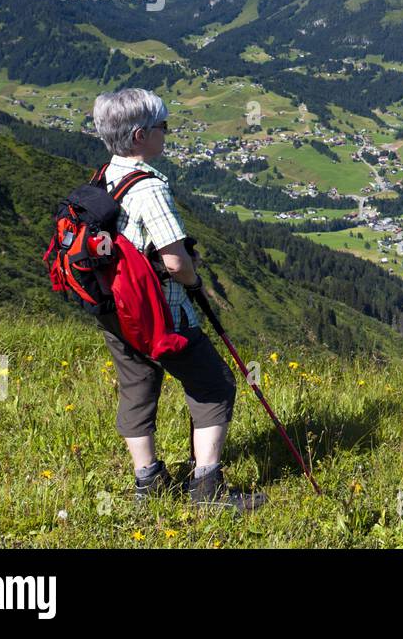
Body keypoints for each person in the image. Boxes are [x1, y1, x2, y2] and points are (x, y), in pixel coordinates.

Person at [90, 88, 264, 513]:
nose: (167, 134)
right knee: (213, 386)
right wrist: (194, 278)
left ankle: (148, 483)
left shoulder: (102, 179)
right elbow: (173, 260)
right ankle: (207, 490)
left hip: (119, 313)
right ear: (138, 136)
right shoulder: (148, 188)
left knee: (137, 390)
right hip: (163, 315)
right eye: (162, 127)